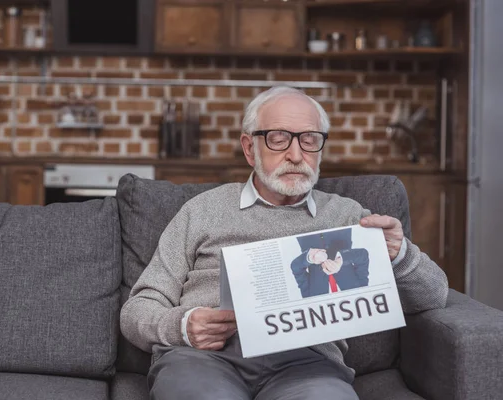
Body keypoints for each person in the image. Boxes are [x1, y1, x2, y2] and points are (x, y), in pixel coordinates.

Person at [120, 86, 449, 400]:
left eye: (309, 140)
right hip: (204, 358)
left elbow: (434, 295)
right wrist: (183, 326)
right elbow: (137, 309)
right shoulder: (203, 210)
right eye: (278, 139)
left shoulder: (349, 217)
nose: (296, 154)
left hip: (308, 365)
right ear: (250, 148)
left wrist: (399, 254)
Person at [291, 228, 371, 298]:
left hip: (306, 234)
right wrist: (341, 259)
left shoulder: (312, 298)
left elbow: (296, 268)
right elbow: (363, 256)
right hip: (338, 228)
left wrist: (310, 258)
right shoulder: (360, 292)